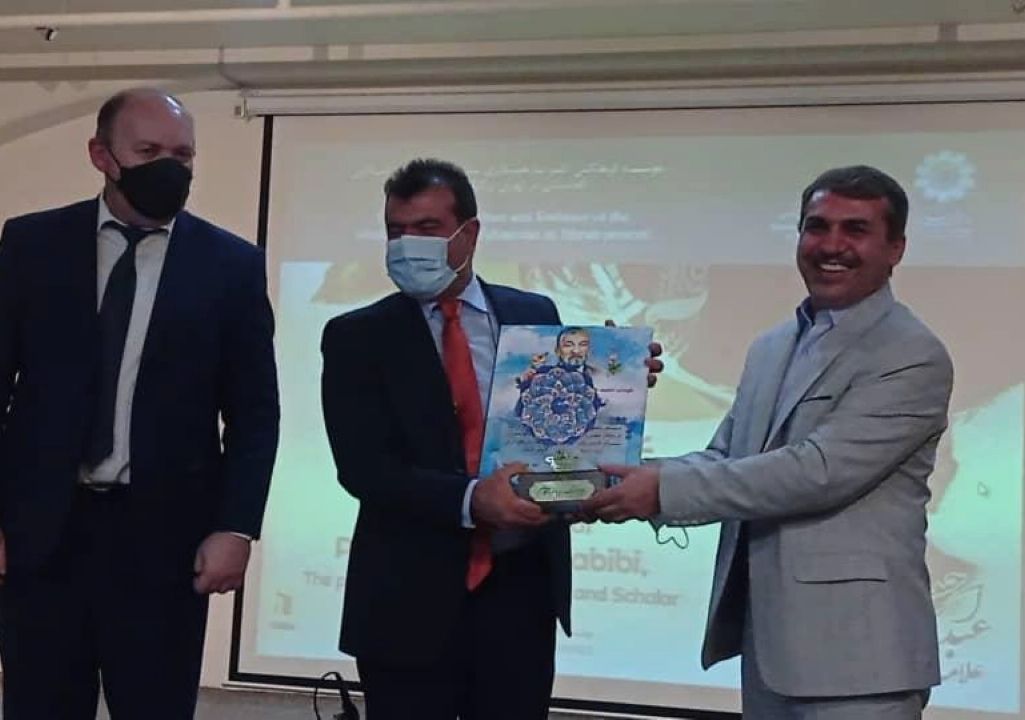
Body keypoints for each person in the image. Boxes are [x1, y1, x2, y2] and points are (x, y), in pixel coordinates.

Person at [586, 165, 952, 720]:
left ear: (895, 248)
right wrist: (602, 472)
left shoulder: (911, 354)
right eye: (817, 226)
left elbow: (816, 472)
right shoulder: (772, 345)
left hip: (860, 664)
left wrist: (657, 491)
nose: (831, 245)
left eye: (855, 230)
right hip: (770, 651)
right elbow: (725, 459)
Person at [320, 158, 659, 720]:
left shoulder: (533, 314)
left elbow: (559, 424)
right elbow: (365, 469)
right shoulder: (357, 336)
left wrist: (617, 379)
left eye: (426, 229)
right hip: (406, 600)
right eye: (395, 231)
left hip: (520, 591)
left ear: (469, 233)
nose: (407, 245)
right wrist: (472, 499)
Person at [0, 88, 280, 720]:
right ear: (102, 155)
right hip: (42, 534)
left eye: (182, 155)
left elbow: (255, 412)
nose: (168, 168)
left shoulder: (231, 265)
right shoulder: (32, 245)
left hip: (165, 542)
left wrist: (236, 527)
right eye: (148, 151)